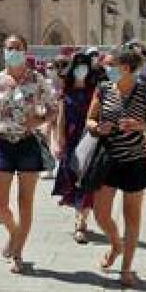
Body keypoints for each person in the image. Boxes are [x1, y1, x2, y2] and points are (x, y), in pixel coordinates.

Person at [87, 50, 146, 289]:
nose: (106, 70)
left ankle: (126, 268)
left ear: (126, 68)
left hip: (135, 160)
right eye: (105, 66)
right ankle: (115, 244)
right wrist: (99, 127)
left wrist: (139, 125)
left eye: (111, 65)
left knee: (132, 216)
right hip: (107, 159)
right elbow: (89, 121)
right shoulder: (103, 89)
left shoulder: (145, 92)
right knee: (100, 214)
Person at [0, 35, 55, 274]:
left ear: (25, 51)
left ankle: (18, 253)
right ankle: (14, 233)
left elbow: (54, 108)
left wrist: (40, 120)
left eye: (17, 48)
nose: (13, 51)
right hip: (2, 143)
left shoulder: (37, 79)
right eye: (9, 48)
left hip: (27, 144)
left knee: (25, 203)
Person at [52, 52, 101, 244]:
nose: (82, 68)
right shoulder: (67, 90)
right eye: (79, 65)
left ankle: (81, 223)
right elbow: (61, 117)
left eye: (85, 65)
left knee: (88, 179)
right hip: (71, 139)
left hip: (90, 138)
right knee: (72, 177)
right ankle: (79, 215)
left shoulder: (95, 90)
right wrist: (59, 139)